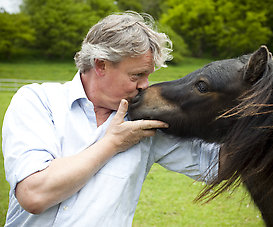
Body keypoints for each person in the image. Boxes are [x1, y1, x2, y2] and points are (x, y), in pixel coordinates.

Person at [2, 11, 220, 226]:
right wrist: (113, 143)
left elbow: (215, 164)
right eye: (137, 75)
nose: (145, 85)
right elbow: (34, 195)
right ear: (101, 65)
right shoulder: (38, 101)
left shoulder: (143, 123)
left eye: (148, 75)